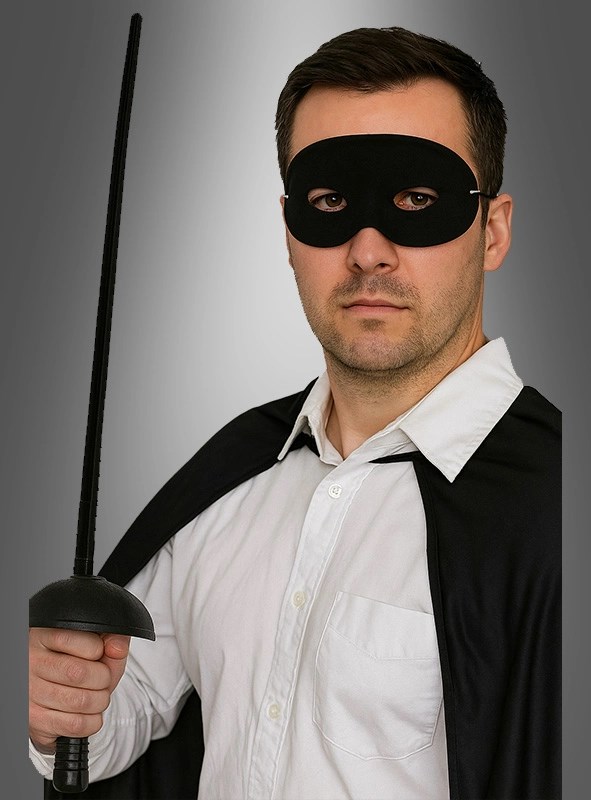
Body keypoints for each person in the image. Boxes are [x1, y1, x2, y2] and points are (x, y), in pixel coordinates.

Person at [29, 25, 561, 800]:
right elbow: (122, 715)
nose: (368, 250)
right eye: (330, 202)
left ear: (494, 231)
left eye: (418, 200)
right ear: (288, 232)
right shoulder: (230, 475)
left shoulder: (560, 503)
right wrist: (67, 710)